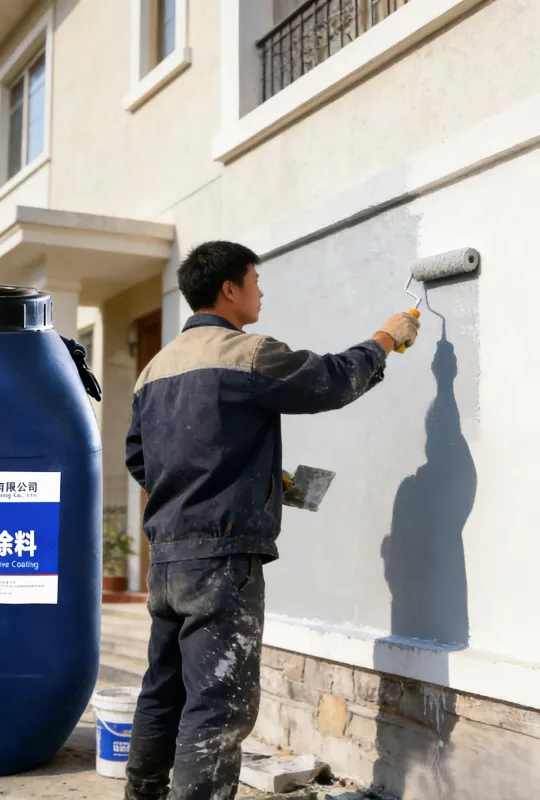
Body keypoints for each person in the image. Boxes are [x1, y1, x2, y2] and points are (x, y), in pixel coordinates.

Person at [123, 240, 420, 800]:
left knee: (162, 693)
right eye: (255, 280)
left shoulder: (154, 371)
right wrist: (386, 339)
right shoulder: (248, 354)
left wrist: (246, 482)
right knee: (218, 705)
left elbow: (142, 459)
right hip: (222, 562)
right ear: (229, 289)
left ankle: (141, 794)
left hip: (167, 562)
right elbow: (330, 380)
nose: (262, 291)